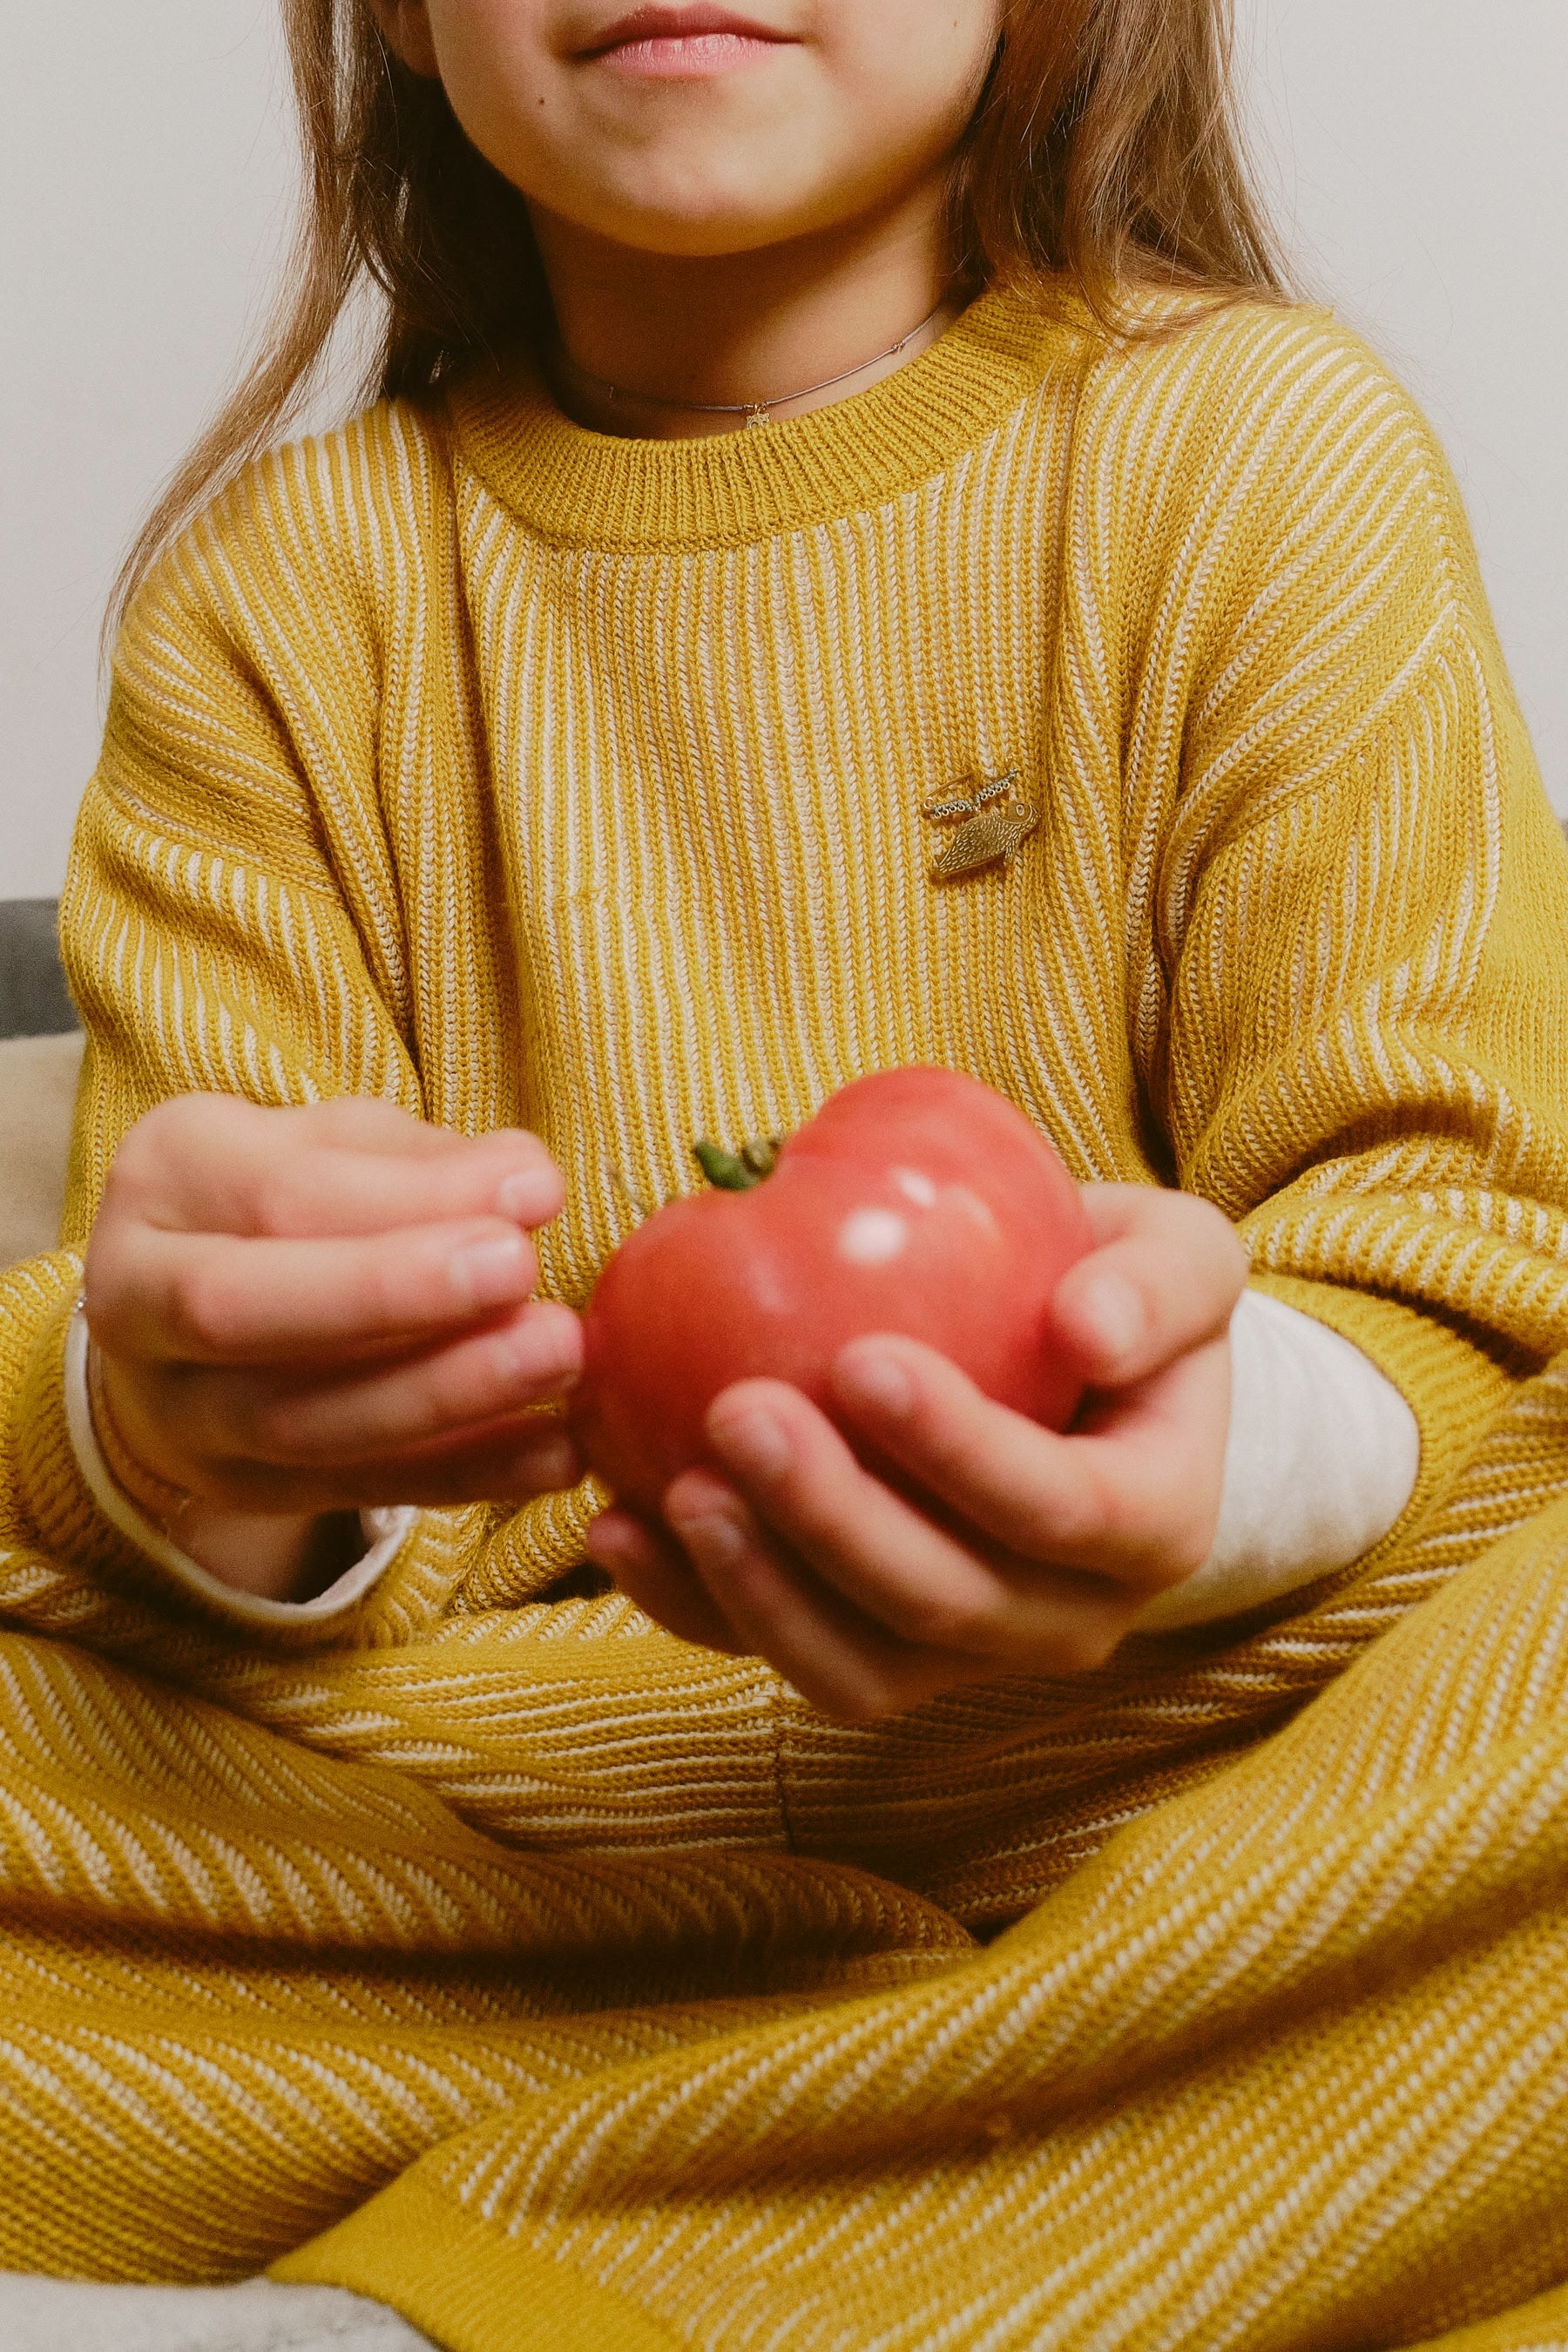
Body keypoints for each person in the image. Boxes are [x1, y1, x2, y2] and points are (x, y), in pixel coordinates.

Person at [3, 0, 1568, 2342]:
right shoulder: (276, 601)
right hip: (531, 1820)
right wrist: (186, 1446)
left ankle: (518, 2261)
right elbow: (222, 1436)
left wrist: (1214, 1464)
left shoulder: (1262, 447)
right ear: (404, 22)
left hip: (1178, 1730)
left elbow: (1463, 1242)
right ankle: (1034, 2117)